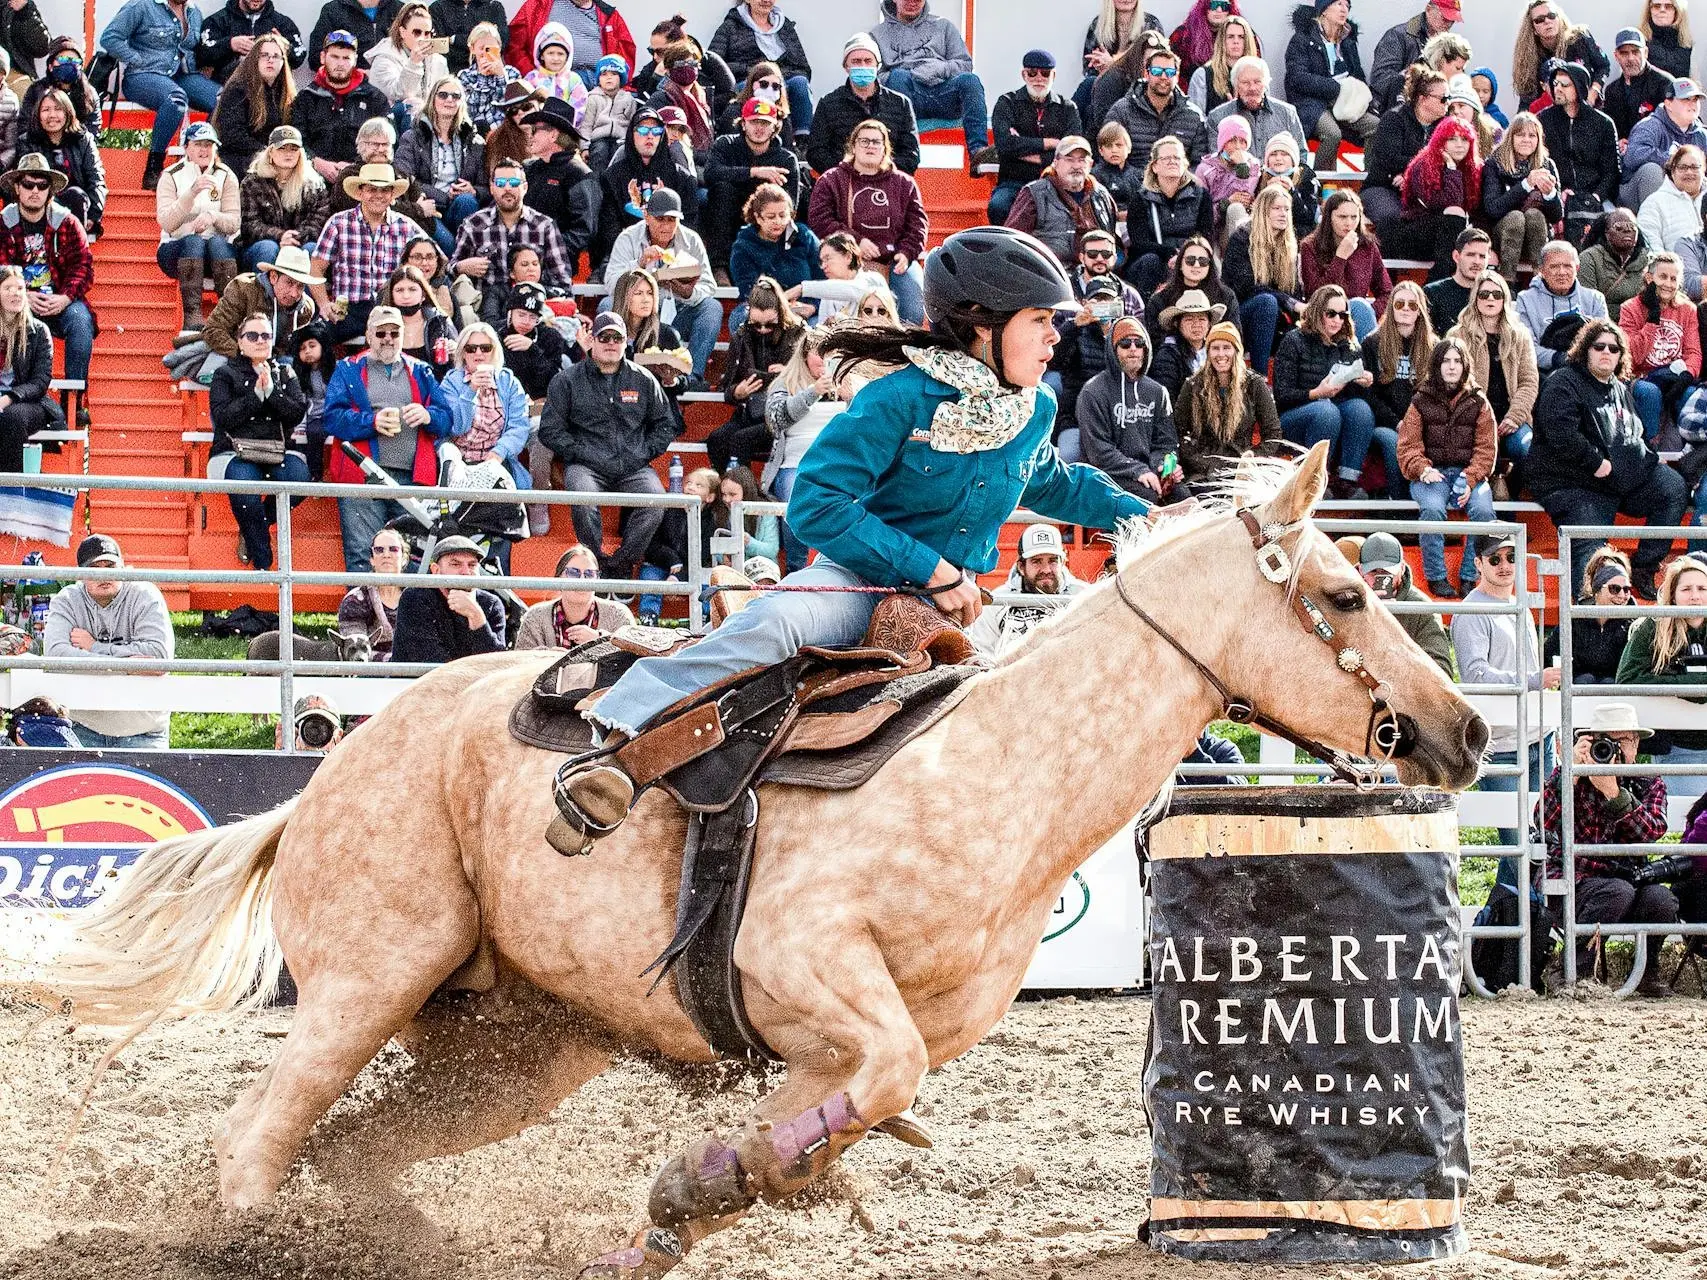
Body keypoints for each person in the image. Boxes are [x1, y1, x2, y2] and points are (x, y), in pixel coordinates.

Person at [549, 226, 1154, 850]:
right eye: (1040, 319)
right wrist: (931, 570)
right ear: (982, 323)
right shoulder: (897, 398)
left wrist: (1147, 519)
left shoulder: (1036, 410)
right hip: (857, 581)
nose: (1057, 335)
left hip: (956, 608)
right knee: (776, 622)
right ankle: (622, 740)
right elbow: (814, 506)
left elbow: (1054, 482)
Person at [1530, 318, 1687, 596]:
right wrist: (1596, 463)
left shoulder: (1618, 386)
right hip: (1576, 483)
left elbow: (1634, 433)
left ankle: (1644, 568)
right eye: (1598, 346)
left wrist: (1650, 460)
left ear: (1620, 355)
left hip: (1619, 478)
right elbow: (1561, 434)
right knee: (1591, 550)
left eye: (1613, 348)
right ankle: (1584, 616)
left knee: (1672, 486)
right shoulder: (1563, 382)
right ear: (1584, 349)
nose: (1606, 352)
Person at [1535, 701, 1678, 986]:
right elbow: (1543, 821)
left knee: (1662, 901)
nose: (1612, 750)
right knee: (1616, 892)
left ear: (1635, 744)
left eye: (1621, 741)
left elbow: (1652, 831)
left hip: (1626, 879)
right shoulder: (1574, 776)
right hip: (1573, 878)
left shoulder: (1648, 781)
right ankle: (1573, 971)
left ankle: (1646, 974)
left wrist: (1614, 794)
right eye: (1605, 742)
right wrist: (1571, 773)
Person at [538, 310, 677, 580]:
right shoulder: (567, 380)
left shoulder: (644, 379)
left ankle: (622, 565)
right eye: (604, 337)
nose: (611, 343)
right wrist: (581, 452)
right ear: (592, 341)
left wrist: (643, 452)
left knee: (656, 501)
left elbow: (665, 424)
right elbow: (550, 430)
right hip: (586, 465)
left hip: (634, 466)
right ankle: (595, 564)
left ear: (626, 342)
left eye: (617, 337)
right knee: (582, 496)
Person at [1448, 531, 1560, 862]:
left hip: (1540, 736)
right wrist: (1534, 680)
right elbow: (1476, 676)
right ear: (1478, 563)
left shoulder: (1520, 604)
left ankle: (1509, 911)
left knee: (1541, 844)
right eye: (1495, 559)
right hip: (1502, 745)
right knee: (1519, 847)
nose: (1505, 565)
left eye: (1511, 557)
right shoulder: (1471, 612)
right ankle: (1515, 911)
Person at [323, 304, 455, 571]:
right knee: (362, 552)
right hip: (362, 477)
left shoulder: (422, 370)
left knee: (411, 556)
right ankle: (360, 612)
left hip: (412, 477)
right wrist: (371, 421)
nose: (388, 339)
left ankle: (405, 613)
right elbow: (331, 418)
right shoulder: (347, 368)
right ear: (368, 335)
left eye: (394, 333)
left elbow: (446, 420)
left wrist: (428, 416)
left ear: (403, 335)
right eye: (381, 333)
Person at [42, 533, 176, 749]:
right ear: (81, 575)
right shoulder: (67, 600)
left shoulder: (145, 595)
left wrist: (94, 647)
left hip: (144, 731)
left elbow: (158, 658)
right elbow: (56, 657)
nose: (104, 575)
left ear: (122, 568)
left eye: (110, 566)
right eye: (95, 568)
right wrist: (130, 665)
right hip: (82, 727)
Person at [207, 310, 309, 569]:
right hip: (234, 450)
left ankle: (254, 527)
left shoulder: (285, 372)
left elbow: (297, 412)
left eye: (266, 335)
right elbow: (222, 418)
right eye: (252, 335)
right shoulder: (224, 374)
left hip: (276, 449)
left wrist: (272, 394)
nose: (260, 340)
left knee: (299, 478)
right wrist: (255, 397)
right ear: (240, 341)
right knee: (245, 488)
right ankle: (263, 561)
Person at [1398, 336, 1497, 597]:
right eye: (1445, 361)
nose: (1451, 367)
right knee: (1432, 509)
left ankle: (1469, 575)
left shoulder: (1479, 401)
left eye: (1457, 361)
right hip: (1432, 474)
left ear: (1465, 366)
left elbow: (1487, 449)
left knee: (1484, 512)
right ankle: (1436, 576)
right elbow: (1408, 445)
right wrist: (1422, 469)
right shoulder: (1420, 399)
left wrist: (1472, 477)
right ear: (1436, 365)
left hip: (1469, 473)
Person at [1274, 284, 1389, 498]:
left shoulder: (1350, 345)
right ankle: (1315, 479)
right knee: (1327, 411)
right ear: (1318, 312)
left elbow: (1355, 398)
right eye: (1331, 314)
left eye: (1343, 315)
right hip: (1296, 418)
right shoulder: (1293, 340)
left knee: (1360, 408)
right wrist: (1317, 393)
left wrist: (1362, 381)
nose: (1337, 320)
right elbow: (1282, 396)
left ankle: (1347, 480)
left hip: (1332, 416)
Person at [100, 0, 221, 192]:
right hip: (143, 76)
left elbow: (195, 50)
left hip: (183, 75)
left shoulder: (194, 12)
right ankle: (154, 168)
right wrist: (136, 59)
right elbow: (109, 38)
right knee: (176, 100)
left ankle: (205, 162)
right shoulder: (141, 5)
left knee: (223, 99)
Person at [603, 187, 720, 380]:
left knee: (711, 308)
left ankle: (692, 376)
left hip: (680, 309)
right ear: (646, 217)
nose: (666, 226)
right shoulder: (628, 238)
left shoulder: (691, 239)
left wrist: (687, 291)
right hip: (639, 316)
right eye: (660, 219)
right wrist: (639, 264)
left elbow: (708, 286)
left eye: (671, 220)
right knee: (607, 305)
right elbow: (611, 284)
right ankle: (618, 369)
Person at [0, 153, 94, 392]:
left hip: (60, 299)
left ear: (49, 190)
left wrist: (64, 298)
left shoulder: (68, 222)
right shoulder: (3, 223)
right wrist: (21, 296)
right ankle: (9, 392)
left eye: (42, 185)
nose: (35, 191)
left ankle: (74, 397)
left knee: (81, 320)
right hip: (16, 301)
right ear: (17, 188)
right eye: (28, 184)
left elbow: (83, 266)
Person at [1446, 270, 1541, 499]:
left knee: (1528, 450)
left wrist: (1514, 417)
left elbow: (1529, 381)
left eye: (1496, 294)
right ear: (1475, 298)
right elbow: (1452, 382)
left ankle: (1513, 503)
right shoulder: (1457, 335)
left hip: (1512, 418)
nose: (1490, 299)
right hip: (1472, 419)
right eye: (1484, 294)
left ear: (1505, 299)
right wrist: (1484, 420)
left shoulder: (1520, 335)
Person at [1619, 557, 1707, 796]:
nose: (1695, 596)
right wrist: (1688, 685)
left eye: (1702, 588)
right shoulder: (1654, 626)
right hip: (1679, 746)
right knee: (1693, 826)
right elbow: (1627, 680)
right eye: (1686, 589)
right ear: (1673, 593)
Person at [449, 160, 572, 331]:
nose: (507, 188)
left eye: (514, 183)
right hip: (484, 311)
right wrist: (461, 266)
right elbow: (450, 268)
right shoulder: (473, 224)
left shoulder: (544, 226)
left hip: (533, 311)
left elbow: (562, 280)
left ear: (525, 187)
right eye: (500, 183)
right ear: (492, 188)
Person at [764, 326, 848, 570]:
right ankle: (796, 569)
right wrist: (812, 393)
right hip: (794, 464)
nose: (823, 360)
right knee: (795, 500)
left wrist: (849, 393)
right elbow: (775, 419)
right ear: (804, 355)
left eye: (830, 353)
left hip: (836, 464)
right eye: (818, 353)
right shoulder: (785, 383)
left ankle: (836, 569)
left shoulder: (847, 385)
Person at [306, 160, 415, 342]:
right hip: (348, 310)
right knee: (314, 339)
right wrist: (324, 305)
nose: (378, 196)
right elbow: (316, 268)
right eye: (372, 189)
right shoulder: (338, 223)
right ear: (360, 192)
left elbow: (434, 259)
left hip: (392, 310)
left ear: (392, 195)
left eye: (384, 190)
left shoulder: (406, 227)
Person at [1076, 315, 1180, 503]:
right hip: (1107, 475)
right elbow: (1099, 452)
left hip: (1149, 472)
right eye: (1125, 343)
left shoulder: (1157, 391)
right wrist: (1138, 471)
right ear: (1113, 350)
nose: (1133, 349)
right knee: (1149, 501)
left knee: (1188, 502)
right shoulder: (1092, 391)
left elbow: (1166, 443)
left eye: (1139, 343)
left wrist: (1164, 466)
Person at [872, 0, 989, 162]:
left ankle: (979, 152)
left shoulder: (944, 26)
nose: (912, 3)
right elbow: (874, 77)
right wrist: (910, 74)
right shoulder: (877, 35)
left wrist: (940, 69)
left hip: (943, 93)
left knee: (970, 81)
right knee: (898, 77)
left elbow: (965, 64)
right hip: (907, 95)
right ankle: (899, 152)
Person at [1173, 320, 1281, 490]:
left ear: (1236, 351)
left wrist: (1250, 460)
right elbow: (1178, 430)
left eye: (1226, 347)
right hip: (1202, 469)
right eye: (1215, 348)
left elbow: (1273, 434)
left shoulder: (1255, 385)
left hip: (1241, 468)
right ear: (1208, 352)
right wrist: (1198, 460)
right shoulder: (1193, 385)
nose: (1221, 354)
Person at [154, 122, 239, 337]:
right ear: (186, 148)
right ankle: (192, 314)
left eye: (209, 145)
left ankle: (227, 314)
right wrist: (191, 193)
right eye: (198, 144)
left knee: (218, 243)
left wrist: (213, 216)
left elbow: (234, 222)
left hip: (215, 253)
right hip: (177, 250)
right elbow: (166, 222)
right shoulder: (171, 175)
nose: (204, 150)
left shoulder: (226, 175)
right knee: (194, 241)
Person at [713, 276, 803, 473]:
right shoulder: (741, 335)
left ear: (781, 315)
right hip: (751, 410)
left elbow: (811, 377)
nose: (762, 330)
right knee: (717, 439)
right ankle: (726, 494)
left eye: (770, 325)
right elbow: (727, 388)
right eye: (756, 324)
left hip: (785, 413)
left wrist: (790, 372)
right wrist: (738, 392)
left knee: (741, 439)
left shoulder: (798, 333)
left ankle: (743, 495)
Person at [705, 97, 801, 273]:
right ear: (743, 124)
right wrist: (754, 172)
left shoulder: (786, 159)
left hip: (768, 216)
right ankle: (719, 267)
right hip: (729, 211)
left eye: (765, 123)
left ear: (775, 127)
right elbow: (711, 174)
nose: (759, 128)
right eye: (754, 122)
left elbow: (791, 204)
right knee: (722, 190)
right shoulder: (726, 144)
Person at [987, 50, 1082, 225]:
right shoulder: (1006, 102)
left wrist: (1024, 150)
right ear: (1024, 74)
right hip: (1014, 181)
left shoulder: (1067, 108)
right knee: (998, 206)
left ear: (1053, 75)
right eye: (1032, 73)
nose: (1039, 78)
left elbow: (1072, 150)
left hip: (1056, 182)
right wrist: (1051, 143)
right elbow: (1005, 145)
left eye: (1045, 73)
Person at [808, 32, 921, 177]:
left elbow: (911, 153)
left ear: (877, 65)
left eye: (868, 61)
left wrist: (882, 171)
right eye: (856, 61)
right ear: (846, 67)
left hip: (889, 184)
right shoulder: (828, 104)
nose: (862, 65)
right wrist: (849, 171)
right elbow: (816, 151)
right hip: (844, 184)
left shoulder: (900, 104)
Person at [966, 522, 1087, 657]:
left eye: (1053, 561)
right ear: (1021, 567)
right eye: (1037, 561)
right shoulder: (997, 603)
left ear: (1063, 562)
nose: (1046, 570)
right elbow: (983, 655)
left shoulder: (1084, 596)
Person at [597, 105, 699, 262]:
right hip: (625, 253)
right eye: (643, 130)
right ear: (632, 134)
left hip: (670, 255)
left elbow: (688, 222)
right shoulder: (612, 176)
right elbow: (609, 225)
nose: (650, 136)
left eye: (656, 131)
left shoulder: (681, 177)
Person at [1285, 0, 1378, 171]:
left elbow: (1357, 74)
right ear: (1324, 10)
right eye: (1339, 4)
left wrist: (1365, 98)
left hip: (1345, 103)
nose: (1344, 9)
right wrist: (1335, 88)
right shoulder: (1302, 39)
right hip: (1312, 103)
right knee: (1332, 133)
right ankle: (1320, 183)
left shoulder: (1348, 41)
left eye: (1347, 6)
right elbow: (1296, 78)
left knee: (1376, 125)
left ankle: (1368, 180)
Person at [1345, 531, 1454, 678]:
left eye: (1387, 572)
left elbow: (1441, 670)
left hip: (1402, 691)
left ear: (1402, 568)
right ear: (1360, 570)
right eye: (1373, 572)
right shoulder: (1344, 601)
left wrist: (1392, 624)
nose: (1381, 579)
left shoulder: (1420, 607)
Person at [1003, 135, 1117, 274]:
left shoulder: (1102, 195)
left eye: (1082, 160)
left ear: (1091, 164)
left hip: (1095, 275)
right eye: (1069, 160)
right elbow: (1012, 242)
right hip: (1048, 276)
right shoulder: (1034, 193)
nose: (1076, 166)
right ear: (1055, 162)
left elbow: (1113, 243)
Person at [1222, 183, 1304, 376]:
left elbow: (1293, 292)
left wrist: (1297, 306)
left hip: (1274, 321)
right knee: (1266, 302)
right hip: (1240, 317)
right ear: (1261, 211)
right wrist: (1290, 302)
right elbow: (1246, 288)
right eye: (1276, 208)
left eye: (1286, 209)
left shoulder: (1289, 245)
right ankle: (1259, 379)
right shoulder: (1242, 239)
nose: (1283, 214)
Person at [1620, 250, 1701, 441]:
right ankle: (1650, 447)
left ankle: (1690, 452)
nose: (1668, 284)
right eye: (1663, 277)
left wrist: (1687, 375)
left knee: (1689, 393)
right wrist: (1653, 317)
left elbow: (1693, 352)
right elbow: (1633, 356)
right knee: (1650, 393)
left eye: (1674, 279)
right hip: (1642, 377)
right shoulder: (1630, 308)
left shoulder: (1687, 309)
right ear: (1649, 278)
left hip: (1673, 375)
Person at [1362, 63, 1447, 243]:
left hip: (1422, 189)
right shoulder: (1394, 119)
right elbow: (1389, 158)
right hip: (1384, 186)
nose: (1447, 103)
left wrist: (1411, 174)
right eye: (1443, 98)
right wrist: (1420, 167)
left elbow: (1447, 161)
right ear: (1423, 99)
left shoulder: (1444, 125)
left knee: (1447, 219)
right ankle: (1386, 271)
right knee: (1391, 218)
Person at [1539, 61, 1620, 245]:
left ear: (1579, 87)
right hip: (1556, 195)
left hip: (1595, 196)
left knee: (1615, 228)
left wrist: (1596, 196)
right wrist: (1556, 190)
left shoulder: (1603, 124)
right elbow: (1539, 163)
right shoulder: (1543, 120)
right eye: (1555, 84)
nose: (1557, 89)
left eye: (1565, 85)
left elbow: (1612, 171)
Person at [1474, 116, 1560, 289]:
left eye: (1532, 135)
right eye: (1521, 135)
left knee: (1534, 215)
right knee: (1516, 217)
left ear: (1539, 140)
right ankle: (1507, 283)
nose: (1527, 140)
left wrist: (1550, 194)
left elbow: (1557, 215)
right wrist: (1526, 185)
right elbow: (1492, 208)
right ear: (1511, 137)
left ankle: (1540, 282)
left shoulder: (1547, 165)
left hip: (1537, 237)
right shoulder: (1494, 164)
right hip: (1503, 237)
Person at [393, 75, 484, 238]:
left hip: (461, 207)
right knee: (450, 248)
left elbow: (486, 185)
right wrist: (443, 196)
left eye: (456, 96)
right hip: (429, 207)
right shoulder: (413, 137)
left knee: (467, 201)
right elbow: (404, 177)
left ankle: (465, 250)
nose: (449, 100)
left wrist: (474, 190)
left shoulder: (474, 141)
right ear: (432, 99)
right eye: (443, 95)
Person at [390, 534, 507, 662]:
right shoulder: (415, 597)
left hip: (474, 680)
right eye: (455, 564)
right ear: (435, 570)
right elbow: (428, 660)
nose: (466, 572)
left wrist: (476, 616)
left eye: (472, 565)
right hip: (418, 681)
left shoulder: (491, 604)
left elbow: (497, 665)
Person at [707, 0, 812, 141]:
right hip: (746, 80)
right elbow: (715, 63)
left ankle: (802, 141)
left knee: (800, 83)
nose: (766, 0)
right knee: (754, 87)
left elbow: (802, 66)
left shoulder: (785, 27)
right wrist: (751, 70)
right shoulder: (730, 27)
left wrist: (778, 78)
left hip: (783, 78)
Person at [295, 28, 393, 178]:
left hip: (363, 177)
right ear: (323, 57)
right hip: (314, 176)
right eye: (334, 57)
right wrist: (316, 162)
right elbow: (296, 140)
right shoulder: (306, 98)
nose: (340, 64)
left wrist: (356, 167)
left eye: (346, 58)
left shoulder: (374, 98)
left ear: (355, 60)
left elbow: (389, 141)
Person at [1123, 134, 1214, 295]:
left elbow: (1205, 235)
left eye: (1177, 158)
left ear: (1185, 163)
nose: (1172, 161)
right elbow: (1139, 242)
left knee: (1208, 263)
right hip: (1153, 259)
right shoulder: (1140, 198)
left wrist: (1185, 256)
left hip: (1190, 255)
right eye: (1166, 158)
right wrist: (1170, 254)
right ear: (1155, 166)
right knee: (1151, 261)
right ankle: (1147, 310)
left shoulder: (1201, 196)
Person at [202, 243, 320, 364]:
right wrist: (247, 356)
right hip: (237, 356)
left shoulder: (305, 308)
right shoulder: (243, 290)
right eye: (289, 283)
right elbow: (213, 330)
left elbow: (290, 347)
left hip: (273, 361)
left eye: (300, 286)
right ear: (273, 277)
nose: (294, 294)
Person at [236, 127, 330, 274]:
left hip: (300, 242)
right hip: (260, 246)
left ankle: (305, 297)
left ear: (301, 153)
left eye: (294, 149)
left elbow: (318, 223)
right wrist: (280, 236)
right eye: (282, 148)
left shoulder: (315, 184)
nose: (288, 153)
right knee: (268, 247)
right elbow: (249, 225)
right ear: (271, 152)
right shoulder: (252, 182)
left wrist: (295, 238)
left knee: (312, 250)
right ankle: (263, 296)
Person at [1300, 189, 1391, 338]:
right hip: (1323, 316)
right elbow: (1315, 293)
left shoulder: (1367, 246)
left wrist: (1369, 311)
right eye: (1342, 217)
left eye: (1354, 217)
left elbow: (1387, 291)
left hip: (1356, 318)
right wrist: (1340, 258)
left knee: (1359, 306)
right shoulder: (1310, 246)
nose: (1349, 223)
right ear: (1329, 217)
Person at [1399, 114, 1482, 280]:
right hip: (1418, 234)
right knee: (1454, 213)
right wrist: (1451, 169)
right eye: (1452, 139)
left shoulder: (1474, 168)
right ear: (1441, 142)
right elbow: (1446, 204)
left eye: (1464, 139)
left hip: (1454, 237)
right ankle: (1439, 279)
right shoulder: (1423, 165)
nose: (1459, 145)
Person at [1105, 42, 1208, 172]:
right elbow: (1109, 159)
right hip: (1133, 187)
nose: (1163, 77)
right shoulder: (1122, 111)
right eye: (1157, 71)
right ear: (1147, 74)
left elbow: (1200, 164)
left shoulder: (1193, 116)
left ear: (1177, 76)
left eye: (1170, 72)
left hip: (1177, 185)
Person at [0, 265, 64, 470]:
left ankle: (12, 487)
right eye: (8, 288)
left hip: (28, 401)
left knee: (13, 417)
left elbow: (40, 382)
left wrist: (9, 398)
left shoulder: (38, 331)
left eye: (19, 288)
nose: (15, 294)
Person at [209, 33, 297, 181]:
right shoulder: (237, 89)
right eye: (264, 55)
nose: (270, 60)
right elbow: (232, 136)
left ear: (283, 62)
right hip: (239, 159)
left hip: (274, 157)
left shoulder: (288, 94)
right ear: (254, 59)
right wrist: (268, 152)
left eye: (276, 56)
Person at [728, 183, 819, 322]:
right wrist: (782, 307)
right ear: (758, 217)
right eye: (771, 217)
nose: (778, 221)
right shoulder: (743, 246)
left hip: (806, 308)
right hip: (764, 310)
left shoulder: (804, 236)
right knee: (740, 319)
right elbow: (749, 291)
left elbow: (823, 278)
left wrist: (813, 306)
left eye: (783, 215)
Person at [515, 543, 636, 648]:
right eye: (573, 573)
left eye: (589, 574)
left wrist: (600, 640)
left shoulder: (619, 615)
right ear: (558, 578)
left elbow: (632, 661)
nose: (582, 580)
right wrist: (549, 658)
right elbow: (521, 662)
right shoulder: (535, 616)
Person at [1517, 239, 1610, 375]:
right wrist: (1560, 358)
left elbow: (1604, 342)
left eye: (1567, 266)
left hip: (1589, 371)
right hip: (1543, 372)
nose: (1561, 272)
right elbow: (1526, 348)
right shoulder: (1525, 299)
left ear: (1577, 268)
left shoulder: (1595, 299)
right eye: (1554, 266)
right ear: (1542, 270)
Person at [22, 88, 103, 240]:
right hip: (39, 201)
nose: (52, 115)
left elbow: (96, 179)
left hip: (75, 204)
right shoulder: (27, 141)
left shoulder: (83, 140)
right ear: (38, 115)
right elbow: (25, 182)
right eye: (46, 110)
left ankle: (76, 249)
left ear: (67, 112)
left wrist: (94, 215)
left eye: (58, 109)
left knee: (76, 195)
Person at [1543, 549, 1635, 682]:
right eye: (1614, 589)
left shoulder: (1634, 623)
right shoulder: (1576, 619)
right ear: (1597, 591)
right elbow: (1549, 656)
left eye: (1626, 590)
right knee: (1585, 679)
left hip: (1617, 693)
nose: (1622, 595)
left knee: (1608, 682)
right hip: (1578, 690)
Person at [1367, 278, 1434, 454]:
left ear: (1420, 311)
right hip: (1385, 424)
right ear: (1391, 308)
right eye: (1399, 304)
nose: (1405, 308)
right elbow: (1369, 395)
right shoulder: (1373, 343)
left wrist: (1416, 426)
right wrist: (1397, 423)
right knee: (1394, 444)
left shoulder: (1434, 346)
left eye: (1412, 305)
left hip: (1422, 424)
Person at [1206, 55, 1309, 165]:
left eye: (1257, 82)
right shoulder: (1218, 117)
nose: (1252, 88)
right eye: (1245, 83)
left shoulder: (1287, 113)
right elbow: (1216, 162)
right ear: (1235, 85)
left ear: (1266, 83)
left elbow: (1301, 156)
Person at [1625, 77, 1707, 211]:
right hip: (1637, 197)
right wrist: (1673, 161)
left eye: (1695, 99)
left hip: (1684, 197)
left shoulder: (1701, 134)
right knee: (1651, 171)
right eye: (1685, 99)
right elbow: (1633, 156)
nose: (1692, 104)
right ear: (1668, 104)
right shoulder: (1650, 126)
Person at [1369, 0, 1462, 114]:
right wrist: (1416, 84)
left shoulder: (1448, 45)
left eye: (1452, 21)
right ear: (1428, 9)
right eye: (1444, 18)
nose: (1448, 24)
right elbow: (1380, 79)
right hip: (1396, 110)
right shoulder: (1397, 36)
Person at [1512, 1, 1610, 109]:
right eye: (1540, 19)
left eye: (1552, 15)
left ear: (1559, 18)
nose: (1547, 21)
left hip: (1589, 108)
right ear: (1533, 29)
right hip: (1554, 117)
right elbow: (1527, 99)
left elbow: (1603, 65)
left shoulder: (1580, 38)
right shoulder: (1530, 57)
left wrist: (1594, 91)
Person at [505, 0, 634, 81]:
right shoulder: (538, 6)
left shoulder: (610, 15)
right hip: (552, 80)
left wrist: (612, 82)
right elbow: (514, 47)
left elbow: (625, 58)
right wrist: (534, 76)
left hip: (598, 83)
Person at [1080, 0, 1164, 124]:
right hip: (1106, 86)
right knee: (1089, 84)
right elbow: (1089, 66)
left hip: (1139, 84)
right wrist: (1104, 72)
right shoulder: (1098, 24)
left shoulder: (1151, 24)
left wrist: (1112, 65)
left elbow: (1158, 64)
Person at [1148, 287, 1222, 404]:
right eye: (1189, 319)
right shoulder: (1167, 355)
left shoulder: (1215, 351)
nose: (1196, 324)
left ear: (1209, 324)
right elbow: (1166, 399)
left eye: (1202, 319)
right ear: (1177, 323)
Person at [1603, 26, 1675, 141]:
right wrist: (1619, 141)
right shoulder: (1612, 90)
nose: (1630, 58)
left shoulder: (1664, 83)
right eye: (1624, 53)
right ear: (1616, 56)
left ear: (1645, 52)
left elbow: (1677, 127)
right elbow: (1610, 130)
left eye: (1635, 52)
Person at [1193, 115, 1259, 241]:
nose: (1238, 146)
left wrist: (1242, 167)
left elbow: (1242, 197)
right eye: (1232, 141)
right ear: (1223, 143)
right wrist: (1225, 203)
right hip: (1212, 229)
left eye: (1243, 141)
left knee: (1236, 209)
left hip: (1243, 227)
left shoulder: (1253, 166)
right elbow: (1200, 212)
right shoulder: (1206, 169)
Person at [1580, 209, 1658, 311]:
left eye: (1632, 226)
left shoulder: (1650, 262)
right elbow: (1588, 306)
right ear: (1606, 233)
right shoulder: (1589, 259)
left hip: (1639, 322)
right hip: (1603, 323)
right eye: (1619, 226)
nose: (1627, 230)